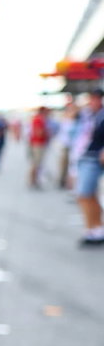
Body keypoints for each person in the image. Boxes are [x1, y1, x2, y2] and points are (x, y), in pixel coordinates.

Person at [70, 92, 104, 246]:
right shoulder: (91, 115)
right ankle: (94, 228)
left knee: (85, 194)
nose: (91, 102)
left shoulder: (100, 115)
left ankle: (94, 229)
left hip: (93, 158)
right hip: (86, 156)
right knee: (88, 195)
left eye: (94, 99)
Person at [26, 105, 51, 188]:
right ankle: (33, 181)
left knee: (37, 163)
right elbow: (38, 133)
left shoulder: (40, 119)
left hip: (38, 143)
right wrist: (47, 133)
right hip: (38, 144)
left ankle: (34, 180)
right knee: (36, 163)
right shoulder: (38, 120)